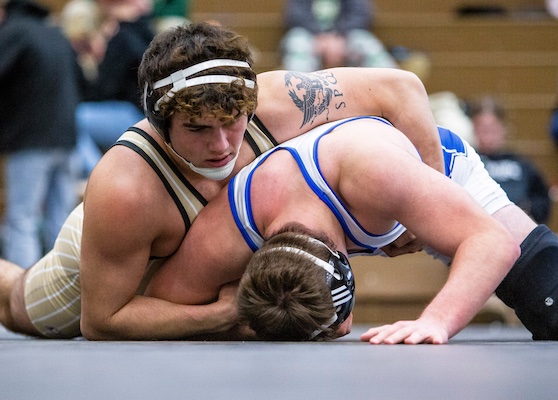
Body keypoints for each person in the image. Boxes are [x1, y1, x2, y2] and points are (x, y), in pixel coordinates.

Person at [0, 22, 445, 340]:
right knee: (18, 304)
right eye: (197, 128)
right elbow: (102, 321)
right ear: (160, 121)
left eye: (232, 122)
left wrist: (430, 204)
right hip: (108, 255)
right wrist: (225, 316)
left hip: (193, 268)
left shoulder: (278, 100)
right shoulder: (126, 186)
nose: (221, 145)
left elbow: (401, 88)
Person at [144, 115, 538, 343]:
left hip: (436, 176)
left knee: (546, 291)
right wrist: (227, 311)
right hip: (378, 204)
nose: (343, 330)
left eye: (335, 324)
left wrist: (435, 321)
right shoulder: (230, 228)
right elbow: (158, 299)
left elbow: (494, 243)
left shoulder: (376, 175)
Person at [0, 0, 81, 268]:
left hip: (30, 142)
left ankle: (19, 297)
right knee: (62, 222)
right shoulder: (56, 33)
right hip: (67, 139)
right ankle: (63, 291)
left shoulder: (14, 32)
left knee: (22, 220)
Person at [68, 0, 155, 177]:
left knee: (69, 118)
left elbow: (106, 90)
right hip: (142, 114)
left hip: (134, 114)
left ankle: (97, 174)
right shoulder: (144, 33)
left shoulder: (122, 38)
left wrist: (96, 65)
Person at [468, 96, 551, 224]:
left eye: (493, 129)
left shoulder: (522, 164)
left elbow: (542, 199)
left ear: (503, 129)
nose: (488, 137)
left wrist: (529, 211)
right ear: (473, 129)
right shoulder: (469, 162)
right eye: (483, 130)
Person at [280, 0, 397, 71]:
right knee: (297, 43)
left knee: (366, 43)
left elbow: (361, 15)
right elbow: (295, 16)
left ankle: (393, 87)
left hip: (346, 37)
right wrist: (320, 36)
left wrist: (339, 36)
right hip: (310, 36)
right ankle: (296, 94)